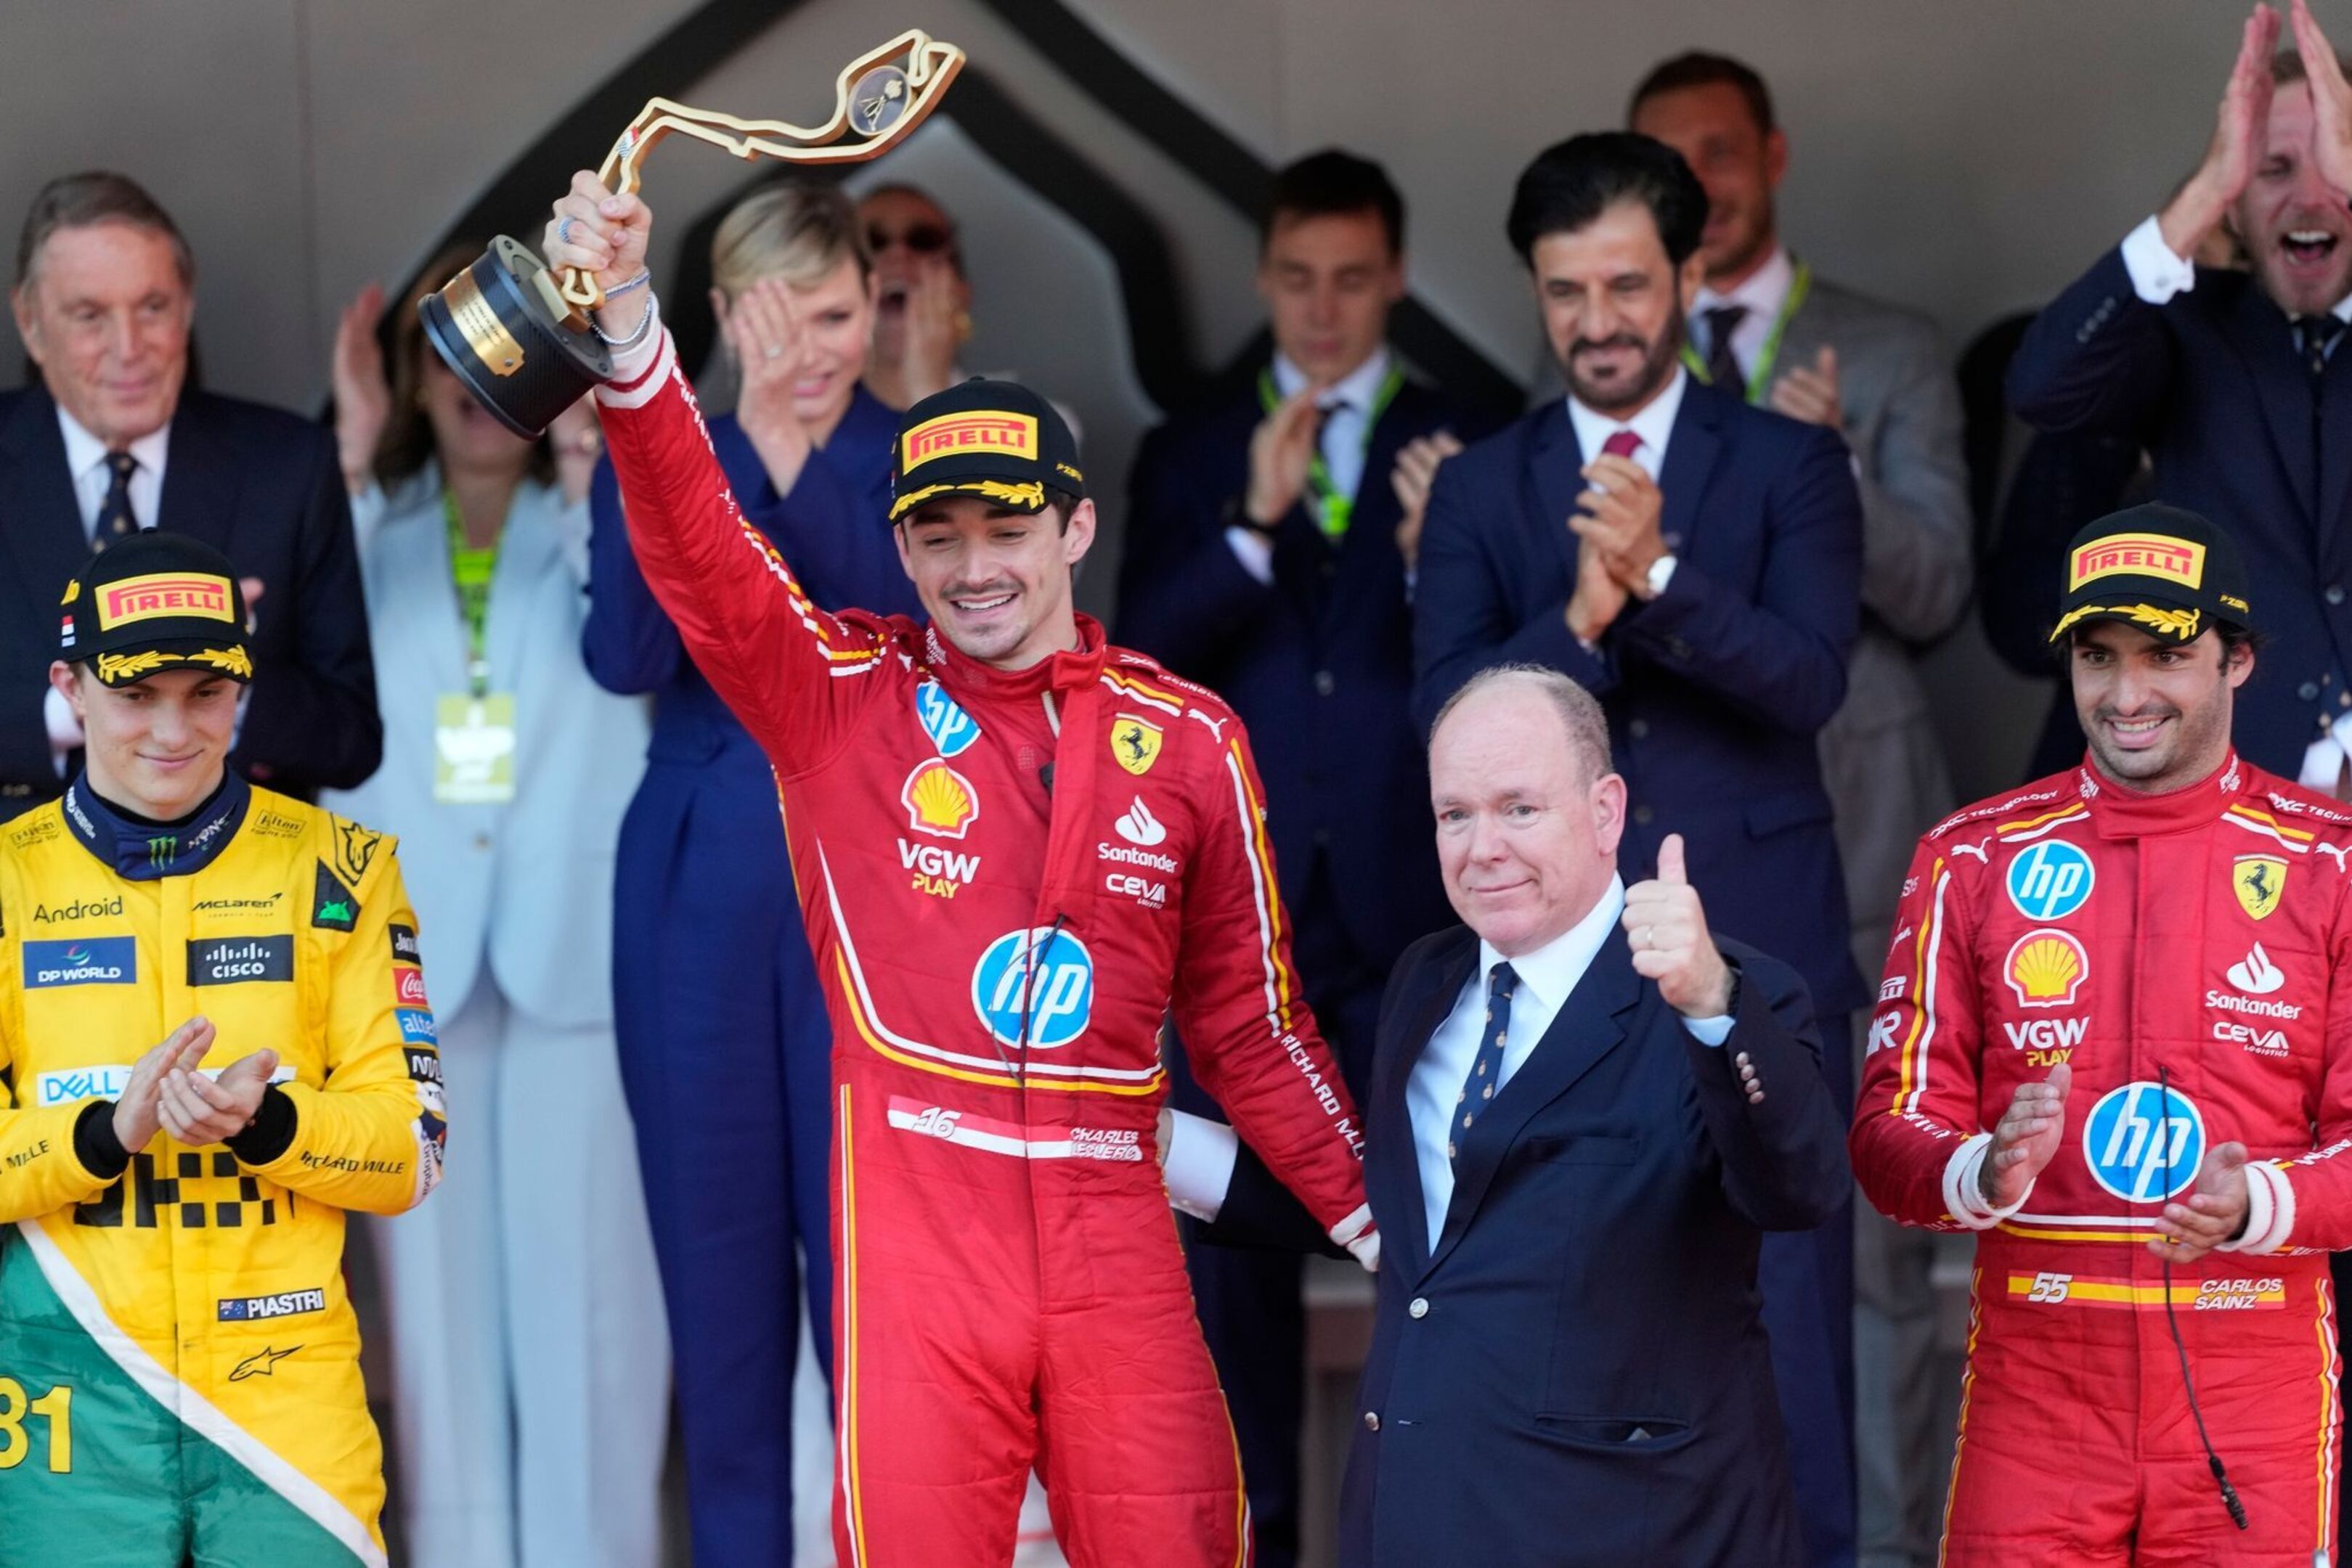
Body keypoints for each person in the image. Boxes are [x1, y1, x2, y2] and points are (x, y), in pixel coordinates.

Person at [542, 173, 1373, 1566]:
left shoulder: (1189, 738)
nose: (973, 567)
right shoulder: (841, 701)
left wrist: (1382, 1229)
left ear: (1075, 528)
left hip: (1115, 1241)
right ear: (901, 543)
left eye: (1005, 530)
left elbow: (1250, 1027)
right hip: (923, 1255)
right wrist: (629, 328)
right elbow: (696, 557)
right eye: (937, 535)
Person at [1411, 129, 1865, 1566]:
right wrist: (1587, 622)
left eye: (1623, 283)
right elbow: (1441, 715)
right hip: (1550, 983)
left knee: (1789, 1343)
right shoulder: (1485, 490)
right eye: (1562, 292)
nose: (1595, 321)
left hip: (1753, 965)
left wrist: (1660, 575)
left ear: (1686, 271)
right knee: (1559, 1337)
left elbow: (1808, 681)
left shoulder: (1790, 463)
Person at [1163, 663, 1850, 1566]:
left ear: (1606, 812)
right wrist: (1155, 1138)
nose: (1480, 845)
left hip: (1630, 1537)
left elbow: (1798, 1184)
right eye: (1455, 813)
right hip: (1414, 1520)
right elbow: (1419, 1228)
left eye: (1518, 808)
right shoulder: (1427, 979)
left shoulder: (1727, 993)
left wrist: (1708, 1001)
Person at [1853, 502, 2352, 1563]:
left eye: (2164, 655)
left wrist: (2255, 1201)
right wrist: (1978, 1171)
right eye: (2095, 658)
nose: (2124, 696)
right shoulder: (1966, 858)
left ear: (2237, 661)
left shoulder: (2330, 863)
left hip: (2249, 1379)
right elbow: (1884, 1133)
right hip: (2035, 1387)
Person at [1627, 52, 1971, 1568]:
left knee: (1870, 1259)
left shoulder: (1883, 349)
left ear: (1769, 154)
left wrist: (1825, 469)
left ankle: (1883, 1554)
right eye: (1663, 159)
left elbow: (1936, 591)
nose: (1696, 180)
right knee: (1674, 1242)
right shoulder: (1607, 359)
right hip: (1674, 866)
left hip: (1856, 839)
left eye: (1716, 150)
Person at [1113, 147, 1465, 1568]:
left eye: (1352, 280)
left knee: (1427, 1261)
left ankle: (1421, 1537)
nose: (1322, 312)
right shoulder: (1188, 447)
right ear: (1262, 278)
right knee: (1228, 1277)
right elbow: (1131, 657)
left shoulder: (1466, 436)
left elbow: (1502, 669)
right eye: (1297, 279)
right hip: (1227, 934)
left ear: (1392, 279)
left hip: (1406, 925)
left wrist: (1435, 555)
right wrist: (1251, 527)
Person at [579, 180, 917, 1567]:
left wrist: (795, 470)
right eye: (779, 318)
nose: (811, 348)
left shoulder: (921, 452)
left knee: (879, 1325)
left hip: (879, 902)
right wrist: (749, 456)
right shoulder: (663, 453)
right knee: (720, 1326)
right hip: (698, 906)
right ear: (720, 318)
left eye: (835, 314)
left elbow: (901, 649)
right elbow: (626, 659)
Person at [0, 530, 443, 1567]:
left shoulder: (343, 869)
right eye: (136, 695)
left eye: (206, 694)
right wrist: (103, 1137)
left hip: (285, 1415)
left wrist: (272, 1124)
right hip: (70, 1410)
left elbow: (414, 1150)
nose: (173, 729)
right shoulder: (8, 883)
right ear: (68, 688)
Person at [321, 250, 664, 1568]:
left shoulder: (599, 506)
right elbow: (307, 644)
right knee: (439, 1318)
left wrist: (588, 453)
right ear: (415, 375)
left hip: (572, 959)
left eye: (512, 353)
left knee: (591, 1309)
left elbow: (637, 643)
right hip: (413, 968)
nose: (481, 385)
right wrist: (347, 455)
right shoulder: (373, 524)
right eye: (451, 352)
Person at [2009, 0, 2352, 790]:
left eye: (2334, 168)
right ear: (2233, 199)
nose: (2309, 198)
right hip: (2232, 794)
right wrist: (2200, 194)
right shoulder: (2187, 330)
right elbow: (2040, 387)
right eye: (2272, 169)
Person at [0, 171, 380, 817]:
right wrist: (80, 709)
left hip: (235, 900)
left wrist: (227, 678)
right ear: (32, 325)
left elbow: (352, 741)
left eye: (152, 308)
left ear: (188, 306)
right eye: (90, 316)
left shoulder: (287, 465)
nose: (130, 350)